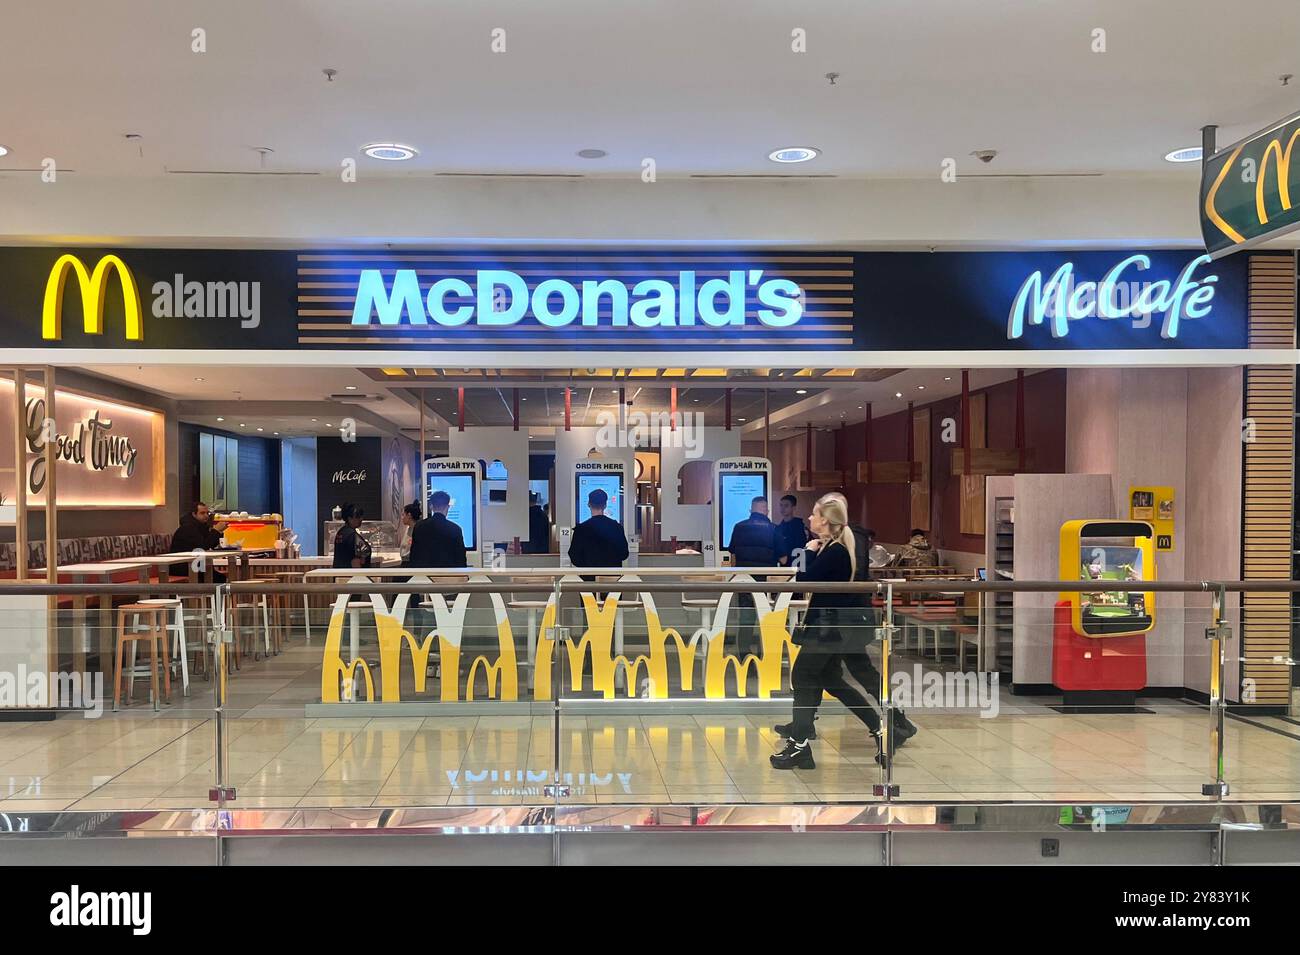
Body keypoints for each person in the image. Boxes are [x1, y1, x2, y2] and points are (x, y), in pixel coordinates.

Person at [771, 494, 884, 771]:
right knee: (831, 681)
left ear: (825, 520)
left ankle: (799, 746)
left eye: (814, 514)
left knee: (802, 676)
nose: (809, 518)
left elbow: (806, 580)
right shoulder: (835, 548)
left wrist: (808, 551)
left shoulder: (835, 551)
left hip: (828, 629)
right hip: (831, 627)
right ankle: (880, 728)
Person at [815, 492, 918, 747]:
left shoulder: (849, 540)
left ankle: (897, 721)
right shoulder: (848, 539)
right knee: (842, 672)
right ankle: (898, 721)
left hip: (846, 619)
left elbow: (845, 579)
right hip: (849, 618)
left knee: (847, 673)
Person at [727, 496, 778, 656]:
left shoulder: (738, 527)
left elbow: (733, 554)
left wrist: (735, 575)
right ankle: (764, 657)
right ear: (767, 511)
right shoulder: (773, 529)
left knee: (746, 618)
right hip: (766, 581)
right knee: (765, 618)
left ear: (750, 510)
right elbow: (783, 558)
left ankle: (744, 656)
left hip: (744, 579)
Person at [568, 488, 628, 569]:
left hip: (588, 577)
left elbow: (574, 557)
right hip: (612, 577)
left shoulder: (581, 529)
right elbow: (624, 554)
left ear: (589, 504)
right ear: (605, 505)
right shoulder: (617, 527)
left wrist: (588, 565)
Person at [409, 490, 468, 568]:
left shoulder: (419, 526)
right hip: (448, 575)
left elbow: (414, 555)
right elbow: (461, 559)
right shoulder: (455, 529)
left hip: (424, 576)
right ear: (448, 507)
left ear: (431, 506)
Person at [170, 501, 228, 579]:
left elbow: (212, 545)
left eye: (207, 513)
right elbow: (202, 547)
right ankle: (215, 591)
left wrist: (219, 532)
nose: (206, 516)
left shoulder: (202, 527)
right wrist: (216, 531)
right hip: (182, 566)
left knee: (218, 577)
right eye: (202, 513)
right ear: (194, 514)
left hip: (195, 564)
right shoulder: (188, 528)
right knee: (218, 578)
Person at [774, 494, 812, 566]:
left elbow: (802, 547)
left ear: (793, 508)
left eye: (786, 505)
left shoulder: (799, 527)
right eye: (781, 505)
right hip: (782, 565)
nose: (782, 508)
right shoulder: (778, 528)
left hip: (798, 564)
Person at [332, 503, 372, 569]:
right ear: (349, 519)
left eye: (361, 516)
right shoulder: (351, 535)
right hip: (351, 576)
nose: (361, 519)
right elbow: (360, 555)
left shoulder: (341, 532)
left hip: (340, 575)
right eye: (358, 516)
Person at [398, 501, 421, 566]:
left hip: (411, 564)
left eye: (403, 515)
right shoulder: (408, 528)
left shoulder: (418, 530)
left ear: (409, 515)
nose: (402, 518)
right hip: (405, 563)